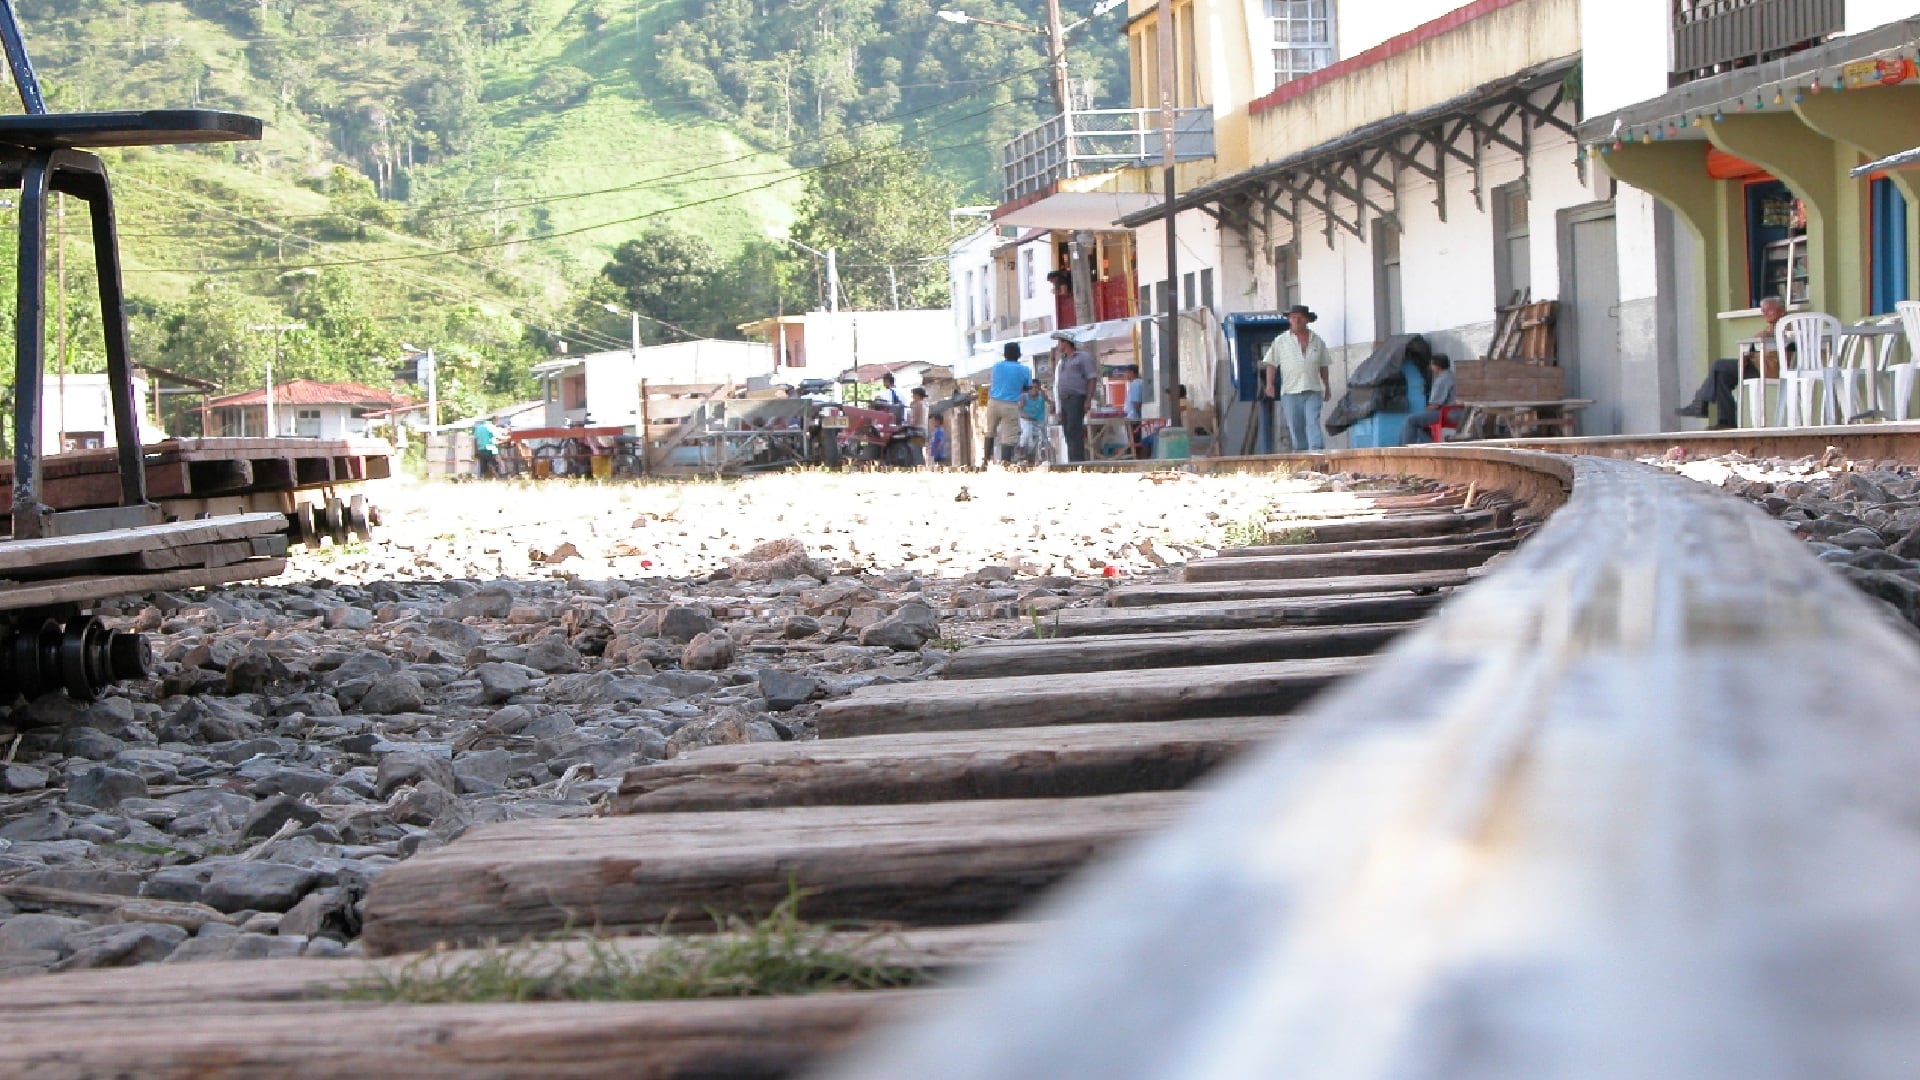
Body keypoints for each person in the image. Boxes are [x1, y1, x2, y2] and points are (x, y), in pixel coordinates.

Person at [1676, 295, 1789, 429]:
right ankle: (1725, 421)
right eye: (1763, 310)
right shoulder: (1769, 328)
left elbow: (1785, 339)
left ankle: (1700, 403)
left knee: (1719, 365)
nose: (1765, 313)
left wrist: (1766, 337)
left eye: (1769, 309)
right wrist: (1745, 357)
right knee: (1721, 376)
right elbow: (1753, 348)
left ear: (1782, 310)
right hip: (1758, 367)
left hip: (1770, 370)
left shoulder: (1788, 324)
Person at [1262, 304, 1330, 451]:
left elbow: (1323, 365)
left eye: (1300, 317)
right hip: (1290, 391)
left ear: (1307, 320)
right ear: (1289, 320)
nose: (1297, 320)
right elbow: (1271, 363)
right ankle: (1301, 453)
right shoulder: (1280, 341)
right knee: (1295, 426)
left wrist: (1327, 386)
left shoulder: (1317, 341)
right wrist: (1269, 384)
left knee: (1313, 421)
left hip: (1312, 389)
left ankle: (1317, 452)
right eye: (1293, 317)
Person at [1051, 331, 1098, 462]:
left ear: (1065, 343)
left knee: (1074, 431)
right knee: (1067, 432)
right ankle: (1073, 460)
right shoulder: (1063, 361)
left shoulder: (1082, 357)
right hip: (1064, 399)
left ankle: (1078, 462)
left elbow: (1092, 378)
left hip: (1076, 398)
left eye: (1059, 342)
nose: (1058, 345)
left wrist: (1088, 400)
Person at [985, 342, 1031, 465]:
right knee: (1008, 438)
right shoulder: (1025, 370)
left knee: (990, 431)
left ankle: (986, 461)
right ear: (1019, 355)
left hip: (993, 403)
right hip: (1010, 405)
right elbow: (1027, 387)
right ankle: (1005, 464)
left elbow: (993, 381)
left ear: (1004, 355)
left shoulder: (996, 367)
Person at [1402, 355, 1456, 444]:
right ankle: (1430, 445)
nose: (1431, 367)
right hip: (1456, 412)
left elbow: (1435, 405)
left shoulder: (1442, 380)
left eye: (1431, 365)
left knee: (1410, 420)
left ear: (1437, 366)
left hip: (1446, 413)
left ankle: (1404, 448)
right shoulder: (1452, 376)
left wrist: (1424, 411)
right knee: (1420, 425)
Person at [1018, 383, 1048, 464]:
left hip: (1038, 420)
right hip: (1026, 420)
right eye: (1031, 388)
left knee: (1040, 437)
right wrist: (1024, 415)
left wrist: (1043, 392)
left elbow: (1048, 401)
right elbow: (1020, 409)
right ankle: (1021, 450)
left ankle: (1036, 456)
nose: (1033, 389)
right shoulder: (1024, 397)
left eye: (1036, 387)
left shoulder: (1041, 396)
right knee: (1027, 432)